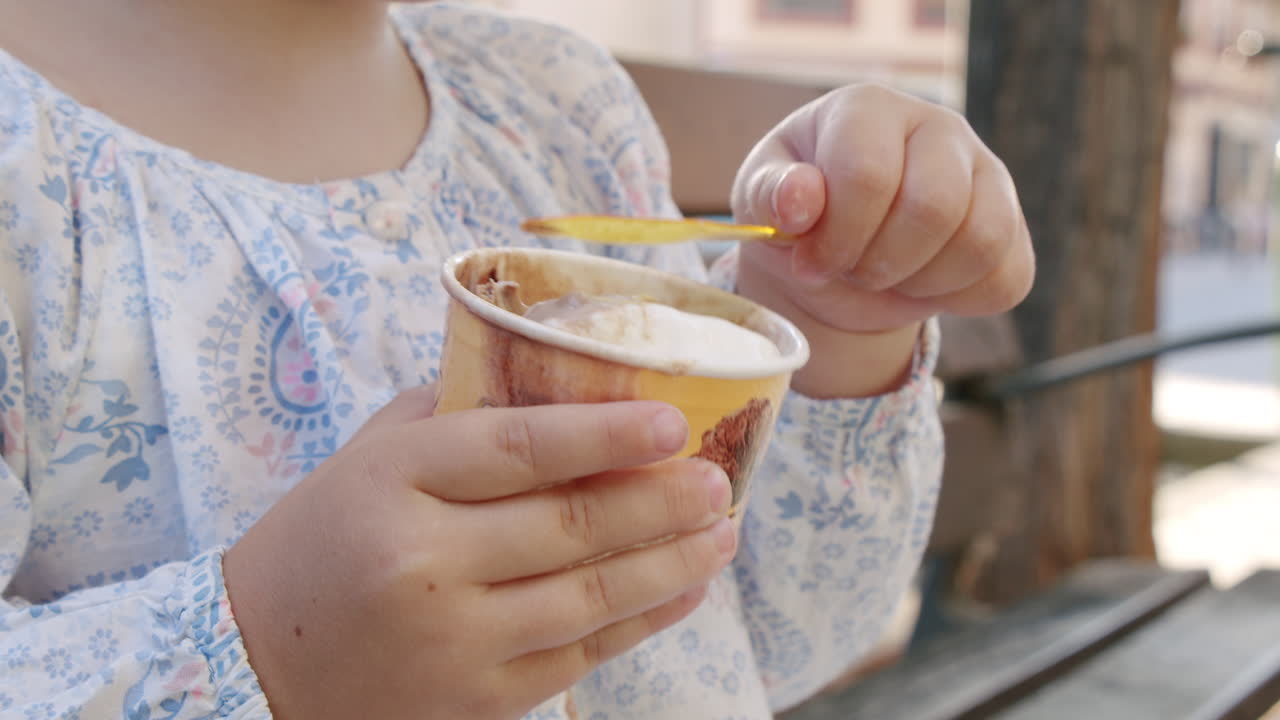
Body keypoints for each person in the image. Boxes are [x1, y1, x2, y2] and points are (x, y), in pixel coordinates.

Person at [0, 1, 1033, 718]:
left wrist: (832, 318)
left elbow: (773, 637)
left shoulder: (553, 105)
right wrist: (263, 657)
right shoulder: (29, 174)